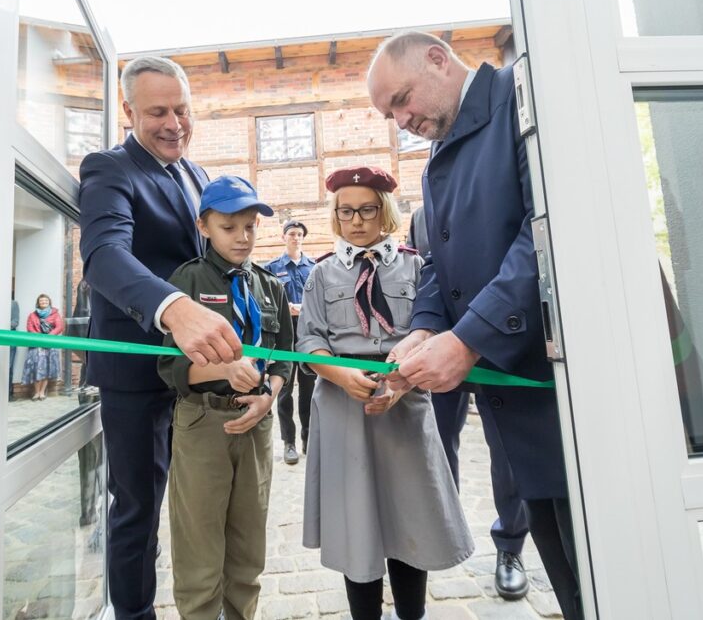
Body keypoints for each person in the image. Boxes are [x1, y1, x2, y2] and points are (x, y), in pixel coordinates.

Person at [368, 31, 583, 619]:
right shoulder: (437, 153)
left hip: (566, 395)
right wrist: (426, 326)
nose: (401, 119)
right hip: (516, 409)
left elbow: (545, 232)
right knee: (565, 572)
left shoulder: (524, 97)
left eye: (402, 99)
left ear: (439, 59)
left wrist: (468, 340)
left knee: (598, 570)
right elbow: (439, 261)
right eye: (390, 112)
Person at [78, 56, 243, 619]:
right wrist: (172, 309)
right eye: (157, 112)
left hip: (201, 375)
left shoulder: (198, 177)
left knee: (203, 505)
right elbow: (104, 256)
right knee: (137, 512)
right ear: (128, 111)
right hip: (137, 378)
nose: (174, 122)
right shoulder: (110, 168)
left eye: (181, 109)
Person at [296, 165, 473, 620]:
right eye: (346, 211)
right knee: (358, 522)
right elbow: (308, 343)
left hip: (404, 410)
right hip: (343, 411)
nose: (356, 220)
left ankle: (412, 612)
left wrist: (402, 382)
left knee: (409, 515)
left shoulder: (416, 267)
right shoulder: (321, 275)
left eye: (367, 209)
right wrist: (339, 375)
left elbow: (433, 331)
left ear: (386, 211)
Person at [157, 176, 293, 620]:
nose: (242, 237)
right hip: (203, 423)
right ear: (204, 226)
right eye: (229, 227)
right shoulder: (187, 282)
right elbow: (168, 367)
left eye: (250, 226)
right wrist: (222, 369)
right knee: (199, 547)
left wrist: (268, 397)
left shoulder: (270, 285)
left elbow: (282, 360)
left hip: (256, 424)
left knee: (248, 549)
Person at [408, 206, 531, 600]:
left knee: (507, 452)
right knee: (438, 441)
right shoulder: (420, 216)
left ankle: (510, 547)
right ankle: (445, 527)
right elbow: (429, 269)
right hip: (440, 346)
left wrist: (473, 337)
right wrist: (423, 326)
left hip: (497, 341)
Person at [264, 219, 316, 464]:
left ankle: (308, 437)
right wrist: (285, 307)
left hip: (307, 336)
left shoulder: (314, 267)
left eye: (299, 234)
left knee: (309, 389)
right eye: (292, 233)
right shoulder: (272, 268)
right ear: (283, 237)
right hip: (283, 336)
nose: (296, 237)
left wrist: (305, 308)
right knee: (284, 389)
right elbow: (264, 300)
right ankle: (289, 442)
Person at [22, 294, 65, 400]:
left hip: (49, 344)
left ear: (49, 302)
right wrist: (39, 337)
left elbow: (59, 327)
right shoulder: (32, 315)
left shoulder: (55, 314)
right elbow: (29, 328)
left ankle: (42, 392)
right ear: (38, 303)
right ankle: (36, 392)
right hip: (36, 345)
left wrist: (48, 337)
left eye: (46, 301)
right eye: (42, 301)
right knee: (36, 368)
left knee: (47, 369)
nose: (44, 302)